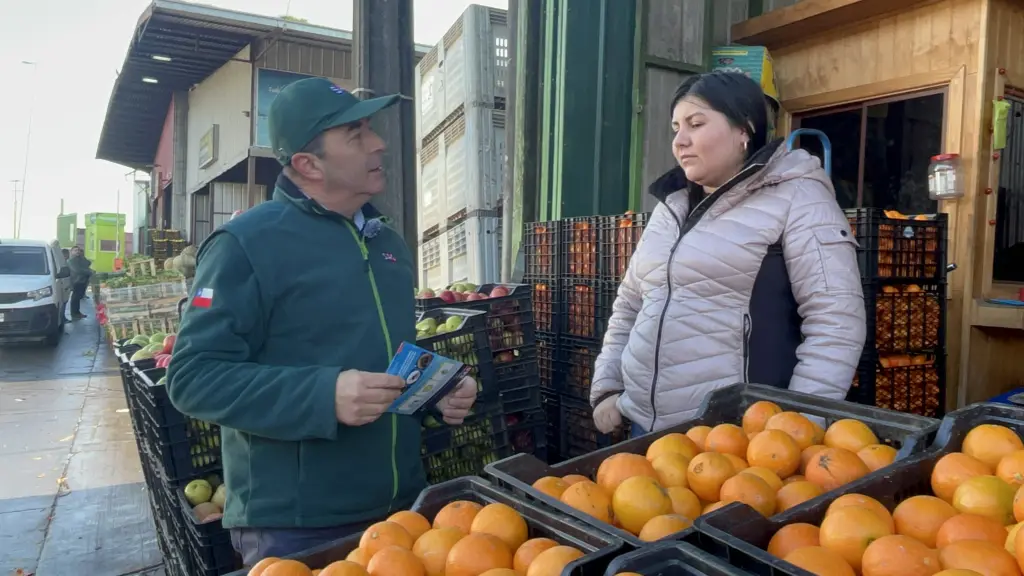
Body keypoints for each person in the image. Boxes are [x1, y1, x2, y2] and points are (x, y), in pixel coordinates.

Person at [166, 77, 478, 565]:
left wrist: (438, 390)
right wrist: (323, 396)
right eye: (354, 134)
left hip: (403, 509)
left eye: (369, 128)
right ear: (308, 164)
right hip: (298, 526)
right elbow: (191, 377)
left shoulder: (387, 243)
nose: (378, 143)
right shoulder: (244, 246)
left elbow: (381, 357)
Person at [590, 72, 866, 436]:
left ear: (744, 130)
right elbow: (629, 304)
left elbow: (836, 321)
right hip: (645, 428)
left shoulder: (798, 197)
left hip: (735, 438)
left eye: (696, 124)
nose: (680, 141)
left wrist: (791, 430)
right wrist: (608, 386)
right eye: (675, 128)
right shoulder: (670, 208)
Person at [67, 246, 93, 320]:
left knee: (78, 298)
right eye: (75, 250)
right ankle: (75, 313)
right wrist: (89, 272)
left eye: (78, 250)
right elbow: (77, 270)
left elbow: (88, 263)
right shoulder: (71, 261)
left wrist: (82, 257)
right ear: (71, 252)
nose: (77, 251)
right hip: (76, 281)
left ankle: (77, 312)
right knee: (75, 298)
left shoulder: (79, 259)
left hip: (82, 280)